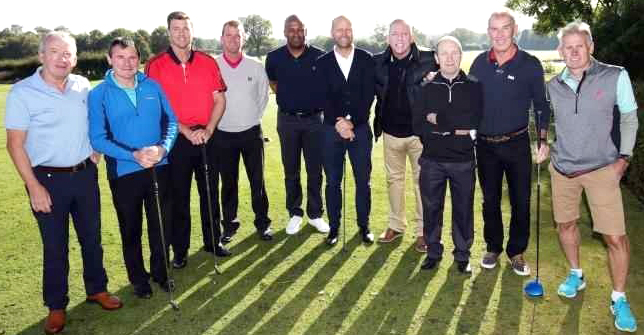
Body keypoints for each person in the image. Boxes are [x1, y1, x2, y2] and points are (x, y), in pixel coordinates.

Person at [5, 31, 122, 334]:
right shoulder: (23, 92)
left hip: (84, 176)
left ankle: (97, 289)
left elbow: (97, 121)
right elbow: (15, 144)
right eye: (55, 52)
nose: (62, 58)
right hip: (46, 180)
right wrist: (33, 186)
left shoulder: (82, 86)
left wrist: (96, 150)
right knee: (55, 247)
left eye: (68, 53)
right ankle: (56, 306)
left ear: (75, 58)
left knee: (91, 238)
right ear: (42, 56)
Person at [545, 21, 639, 333]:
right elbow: (545, 120)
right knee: (566, 225)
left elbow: (628, 117)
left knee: (614, 237)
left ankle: (619, 297)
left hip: (602, 169)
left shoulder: (614, 75)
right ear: (560, 51)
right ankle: (576, 273)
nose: (573, 52)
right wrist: (543, 143)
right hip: (562, 170)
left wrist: (623, 159)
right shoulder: (553, 85)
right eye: (567, 47)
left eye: (579, 46)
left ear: (590, 47)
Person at [89, 38, 178, 298]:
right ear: (110, 59)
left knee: (161, 224)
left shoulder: (153, 86)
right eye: (120, 57)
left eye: (132, 57)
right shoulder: (99, 94)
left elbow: (171, 122)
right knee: (131, 228)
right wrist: (134, 155)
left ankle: (161, 272)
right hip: (125, 172)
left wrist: (162, 149)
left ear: (139, 59)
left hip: (159, 167)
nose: (127, 63)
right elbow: (98, 138)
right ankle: (138, 279)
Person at [146, 11, 231, 270]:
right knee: (178, 197)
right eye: (176, 28)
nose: (181, 33)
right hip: (176, 139)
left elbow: (220, 99)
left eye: (186, 28)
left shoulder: (207, 61)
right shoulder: (155, 64)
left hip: (207, 136)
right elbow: (157, 107)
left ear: (192, 31)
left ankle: (213, 241)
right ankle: (180, 251)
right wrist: (184, 131)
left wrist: (208, 129)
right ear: (168, 32)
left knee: (209, 193)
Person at [469, 9, 550, 276]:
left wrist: (541, 139)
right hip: (486, 146)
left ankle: (516, 251)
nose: (500, 34)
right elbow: (467, 101)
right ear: (488, 31)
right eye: (494, 29)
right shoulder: (479, 63)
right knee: (489, 200)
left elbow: (541, 106)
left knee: (521, 200)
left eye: (505, 28)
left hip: (516, 143)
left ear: (514, 30)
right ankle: (493, 247)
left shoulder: (530, 64)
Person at [413, 36, 481, 273]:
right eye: (444, 53)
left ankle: (462, 255)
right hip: (432, 159)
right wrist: (457, 128)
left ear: (461, 55)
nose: (449, 58)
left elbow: (473, 120)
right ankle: (433, 251)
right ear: (436, 58)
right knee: (432, 208)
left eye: (454, 53)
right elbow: (418, 124)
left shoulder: (474, 86)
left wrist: (440, 121)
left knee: (463, 209)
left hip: (463, 160)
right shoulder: (426, 87)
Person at [373, 19, 438, 252]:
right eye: (394, 34)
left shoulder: (431, 59)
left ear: (412, 37)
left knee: (423, 184)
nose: (399, 38)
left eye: (404, 34)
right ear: (387, 38)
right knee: (394, 182)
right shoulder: (378, 63)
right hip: (391, 133)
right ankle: (395, 225)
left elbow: (449, 85)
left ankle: (423, 232)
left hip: (419, 135)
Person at [265, 15, 330, 235]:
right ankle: (295, 212)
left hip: (314, 120)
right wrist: (290, 100)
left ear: (305, 31)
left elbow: (327, 86)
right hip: (287, 120)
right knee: (291, 170)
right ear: (284, 32)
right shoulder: (274, 58)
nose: (295, 33)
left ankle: (315, 214)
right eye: (291, 30)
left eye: (299, 29)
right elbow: (274, 83)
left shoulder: (320, 56)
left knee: (315, 170)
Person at [317, 16, 376, 245]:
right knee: (332, 182)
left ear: (352, 32)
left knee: (363, 181)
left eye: (348, 29)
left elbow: (368, 94)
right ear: (333, 33)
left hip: (360, 130)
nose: (344, 33)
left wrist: (352, 122)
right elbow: (323, 96)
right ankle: (334, 228)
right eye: (339, 29)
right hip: (331, 131)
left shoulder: (366, 59)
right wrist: (339, 124)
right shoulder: (322, 62)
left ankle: (364, 226)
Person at [214, 21, 271, 244]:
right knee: (228, 183)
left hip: (251, 133)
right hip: (223, 133)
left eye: (237, 35)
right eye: (228, 35)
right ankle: (229, 225)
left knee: (258, 181)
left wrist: (250, 117)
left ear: (243, 39)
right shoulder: (213, 65)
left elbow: (263, 97)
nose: (233, 39)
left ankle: (263, 224)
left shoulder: (255, 66)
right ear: (222, 38)